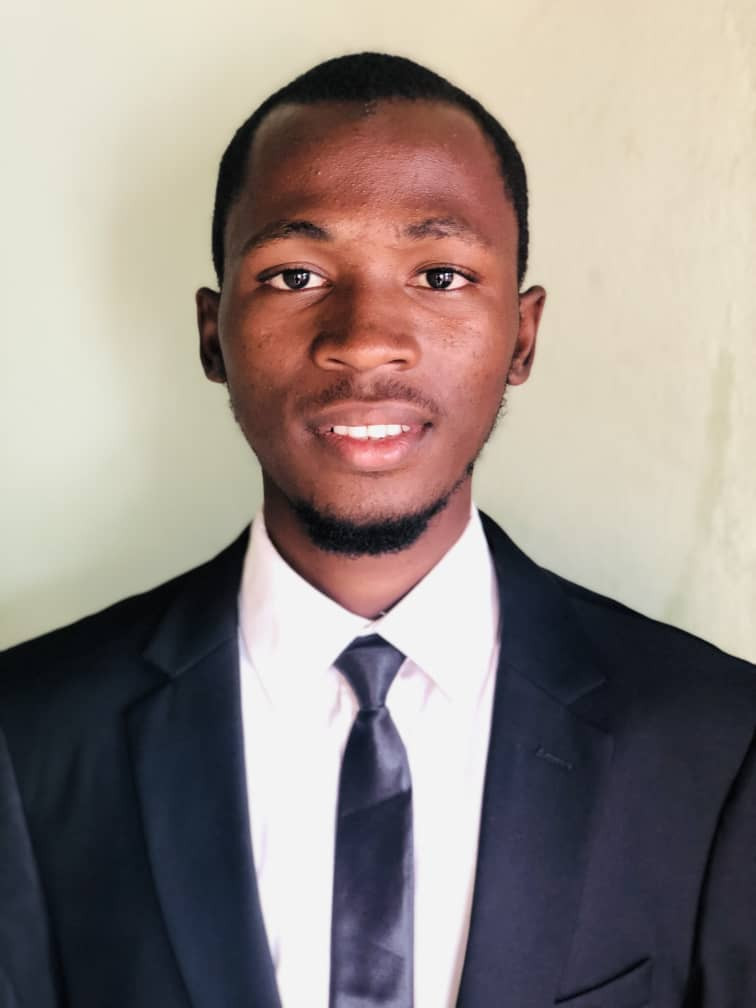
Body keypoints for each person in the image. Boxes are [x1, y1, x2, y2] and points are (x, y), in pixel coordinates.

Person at [1, 52, 754, 1008]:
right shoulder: (28, 736)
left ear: (522, 337)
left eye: (440, 274)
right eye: (295, 274)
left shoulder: (718, 741)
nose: (364, 339)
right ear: (212, 334)